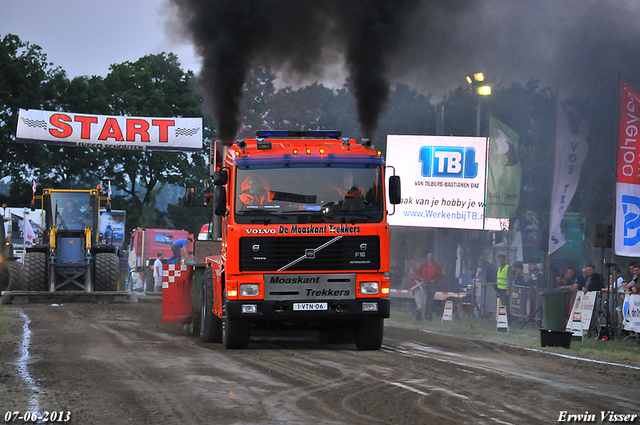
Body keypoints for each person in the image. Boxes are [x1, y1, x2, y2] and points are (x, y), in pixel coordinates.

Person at [412, 253, 444, 321]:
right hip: (424, 285)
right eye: (428, 257)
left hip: (432, 285)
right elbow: (418, 272)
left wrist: (434, 280)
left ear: (433, 258)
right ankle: (421, 315)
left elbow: (440, 275)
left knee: (430, 302)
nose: (429, 258)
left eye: (431, 257)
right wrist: (420, 278)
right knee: (423, 301)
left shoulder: (436, 266)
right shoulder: (423, 265)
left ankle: (429, 317)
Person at [495, 254, 513, 320]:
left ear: (504, 260)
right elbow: (499, 280)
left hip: (505, 290)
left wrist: (508, 289)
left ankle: (508, 319)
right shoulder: (499, 268)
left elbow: (510, 279)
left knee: (506, 305)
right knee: (503, 304)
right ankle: (504, 319)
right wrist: (497, 290)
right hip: (500, 289)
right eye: (499, 260)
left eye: (502, 260)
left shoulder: (507, 267)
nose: (500, 261)